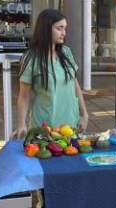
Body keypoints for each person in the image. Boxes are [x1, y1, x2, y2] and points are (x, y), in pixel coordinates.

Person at [13, 9, 89, 139]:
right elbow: (24, 96)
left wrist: (84, 114)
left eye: (65, 28)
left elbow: (75, 86)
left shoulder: (66, 52)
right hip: (44, 129)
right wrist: (21, 125)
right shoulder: (31, 58)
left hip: (71, 126)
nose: (64, 33)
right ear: (46, 29)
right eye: (59, 28)